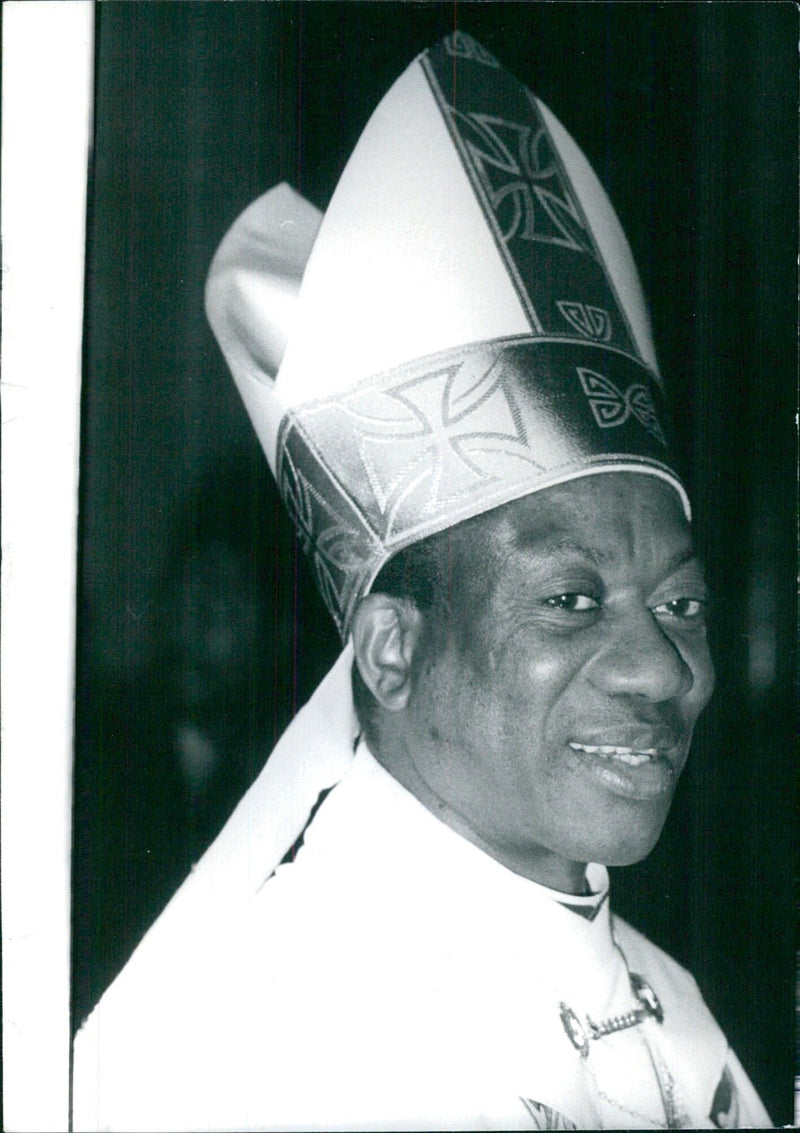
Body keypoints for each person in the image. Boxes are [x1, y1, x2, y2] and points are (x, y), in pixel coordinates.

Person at [72, 33, 772, 1130]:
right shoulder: (266, 1037)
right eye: (569, 599)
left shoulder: (671, 1006)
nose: (659, 668)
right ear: (392, 648)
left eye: (678, 603)